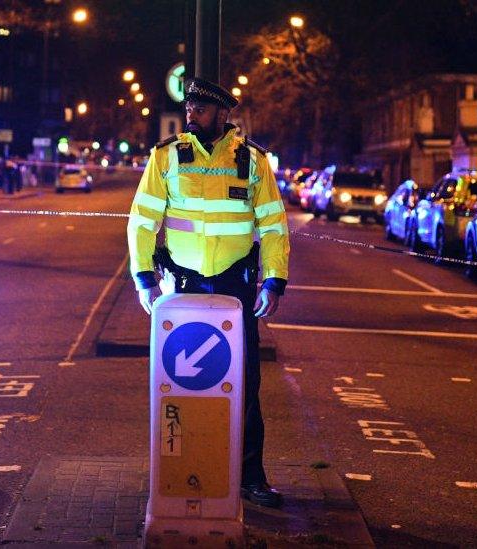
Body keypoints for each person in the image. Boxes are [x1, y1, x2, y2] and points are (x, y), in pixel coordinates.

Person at [126, 77, 290, 508]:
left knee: (246, 382)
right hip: (181, 284)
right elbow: (142, 220)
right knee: (177, 383)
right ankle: (177, 471)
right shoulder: (166, 157)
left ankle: (251, 477)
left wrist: (274, 280)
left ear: (223, 113)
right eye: (189, 107)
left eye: (200, 108)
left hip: (236, 285)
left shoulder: (252, 160)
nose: (191, 113)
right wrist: (143, 276)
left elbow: (273, 226)